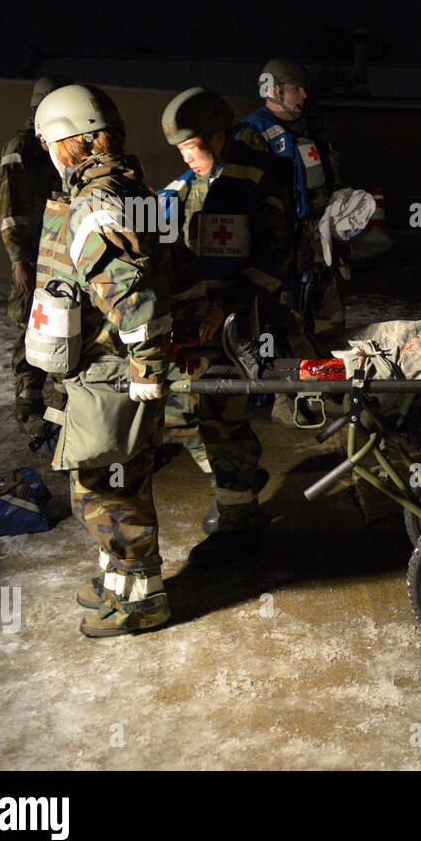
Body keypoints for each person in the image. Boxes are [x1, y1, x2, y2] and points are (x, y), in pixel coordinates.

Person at [29, 84, 173, 637]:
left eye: (49, 144)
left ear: (68, 142)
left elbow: (132, 292)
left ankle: (142, 600)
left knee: (106, 489)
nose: (48, 154)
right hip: (113, 368)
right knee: (118, 482)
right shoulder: (128, 187)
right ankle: (116, 579)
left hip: (112, 372)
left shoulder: (93, 199)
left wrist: (147, 366)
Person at [157, 87, 291, 534]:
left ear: (217, 138)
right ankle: (237, 481)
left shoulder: (261, 178)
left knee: (223, 416)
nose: (185, 160)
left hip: (238, 323)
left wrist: (224, 306)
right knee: (178, 411)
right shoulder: (184, 186)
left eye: (190, 149)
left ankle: (238, 515)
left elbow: (275, 255)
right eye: (178, 151)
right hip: (194, 321)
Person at [235, 58, 343, 425]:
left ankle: (330, 392)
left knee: (325, 322)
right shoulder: (251, 134)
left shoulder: (307, 133)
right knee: (283, 328)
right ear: (274, 90)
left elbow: (319, 188)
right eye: (296, 87)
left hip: (315, 247)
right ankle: (289, 401)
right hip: (277, 255)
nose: (304, 94)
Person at [0, 74, 70, 436]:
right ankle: (29, 407)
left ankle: (57, 411)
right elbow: (8, 207)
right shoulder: (22, 147)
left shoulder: (54, 143)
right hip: (33, 254)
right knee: (29, 329)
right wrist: (18, 259)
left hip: (56, 253)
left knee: (55, 327)